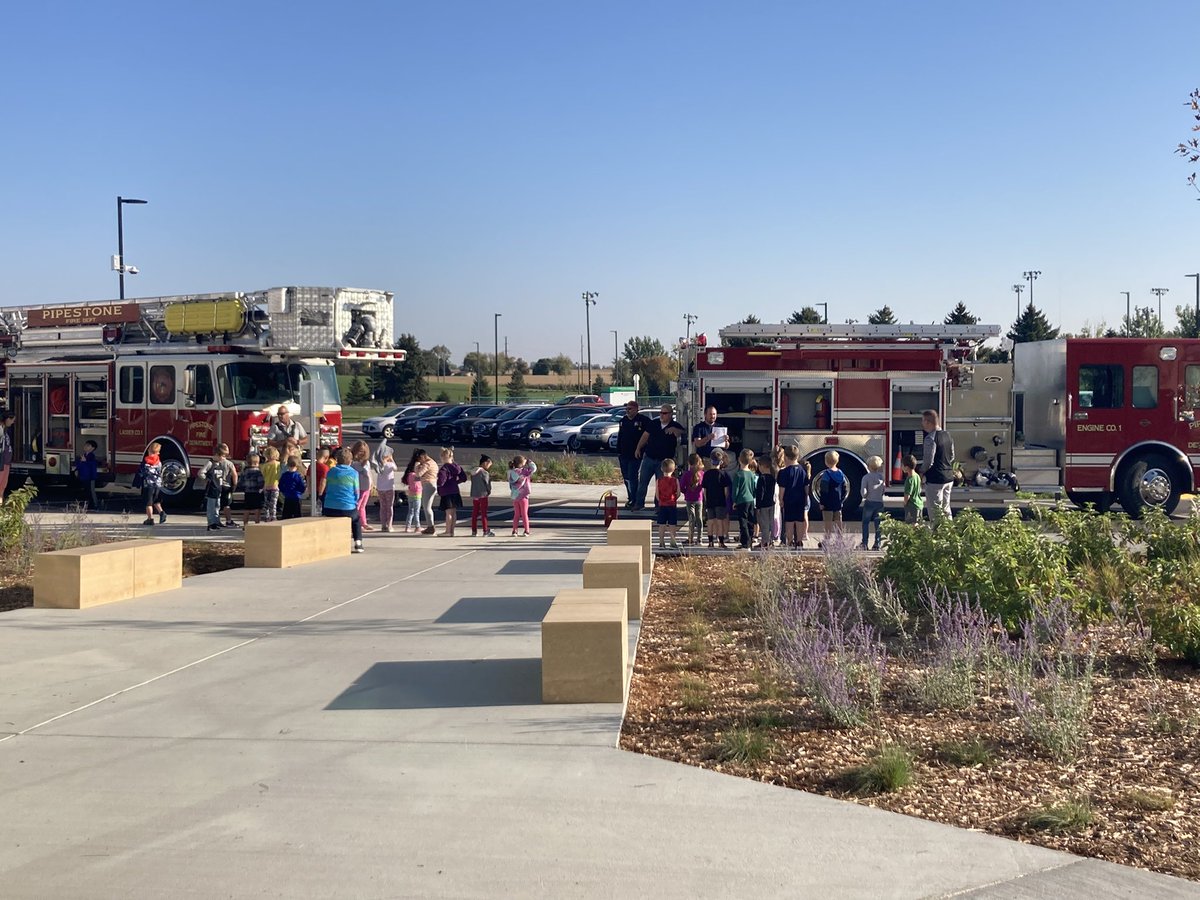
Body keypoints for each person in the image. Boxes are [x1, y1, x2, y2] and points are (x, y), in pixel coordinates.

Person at [634, 404, 687, 511]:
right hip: (649, 457)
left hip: (664, 461)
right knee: (643, 482)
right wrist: (638, 448)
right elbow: (645, 436)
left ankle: (658, 506)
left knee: (661, 484)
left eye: (664, 413)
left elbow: (685, 432)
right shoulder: (654, 423)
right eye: (661, 413)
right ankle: (639, 504)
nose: (662, 415)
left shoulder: (675, 425)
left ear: (671, 414)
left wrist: (676, 431)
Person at [323, 447, 364, 553]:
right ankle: (358, 542)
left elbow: (327, 488)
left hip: (329, 507)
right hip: (347, 507)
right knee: (356, 520)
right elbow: (356, 492)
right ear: (350, 461)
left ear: (337, 460)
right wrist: (354, 502)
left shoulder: (331, 472)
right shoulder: (354, 473)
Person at [919, 409, 955, 524]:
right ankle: (949, 533)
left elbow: (929, 461)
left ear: (928, 422)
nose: (922, 424)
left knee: (935, 512)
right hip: (948, 477)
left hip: (935, 479)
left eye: (923, 421)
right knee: (946, 509)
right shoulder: (947, 435)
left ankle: (937, 535)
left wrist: (921, 472)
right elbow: (952, 456)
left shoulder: (930, 438)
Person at [616, 401, 651, 509]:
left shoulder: (643, 421)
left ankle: (636, 500)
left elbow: (649, 434)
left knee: (633, 477)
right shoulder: (623, 421)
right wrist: (618, 451)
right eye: (626, 409)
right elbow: (620, 437)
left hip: (636, 454)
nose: (628, 411)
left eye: (630, 409)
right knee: (626, 477)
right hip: (624, 454)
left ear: (636, 409)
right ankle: (630, 497)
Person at [776, 445, 810, 549]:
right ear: (797, 456)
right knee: (799, 521)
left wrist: (780, 499)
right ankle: (799, 541)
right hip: (800, 499)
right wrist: (806, 497)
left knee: (789, 521)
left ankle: (790, 541)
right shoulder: (802, 471)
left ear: (785, 457)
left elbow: (782, 488)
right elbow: (806, 486)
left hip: (789, 499)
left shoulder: (783, 472)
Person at [814, 450, 848, 543]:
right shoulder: (841, 473)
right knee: (838, 521)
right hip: (837, 501)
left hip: (828, 502)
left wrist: (822, 502)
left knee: (828, 522)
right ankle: (840, 539)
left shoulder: (826, 474)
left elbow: (824, 490)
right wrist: (841, 500)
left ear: (826, 461)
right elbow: (845, 488)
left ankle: (827, 539)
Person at [701, 448, 731, 549]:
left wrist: (706, 499)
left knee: (710, 521)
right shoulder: (724, 474)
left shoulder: (706, 474)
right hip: (720, 501)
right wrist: (725, 498)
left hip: (710, 500)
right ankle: (721, 541)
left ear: (710, 461)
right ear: (721, 461)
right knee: (720, 521)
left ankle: (710, 541)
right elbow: (726, 490)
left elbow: (704, 490)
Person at [731, 449, 759, 550]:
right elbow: (753, 487)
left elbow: (736, 490)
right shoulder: (752, 474)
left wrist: (734, 500)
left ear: (739, 460)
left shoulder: (738, 475)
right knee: (750, 521)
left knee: (743, 522)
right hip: (751, 500)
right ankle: (750, 541)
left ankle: (745, 543)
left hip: (741, 500)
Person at [436, 447, 466, 536]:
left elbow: (441, 481)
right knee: (453, 512)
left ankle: (447, 531)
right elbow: (463, 478)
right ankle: (452, 531)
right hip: (455, 491)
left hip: (446, 492)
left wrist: (437, 484)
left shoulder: (444, 468)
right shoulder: (457, 467)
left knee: (448, 513)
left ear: (443, 457)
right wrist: (456, 482)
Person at [199, 447, 229, 531]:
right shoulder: (210, 463)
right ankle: (211, 523)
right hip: (211, 489)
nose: (223, 458)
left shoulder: (219, 464)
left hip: (218, 489)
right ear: (216, 455)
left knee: (217, 506)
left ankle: (216, 521)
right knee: (211, 507)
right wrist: (206, 479)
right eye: (222, 456)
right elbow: (201, 472)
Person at [860, 455, 886, 551]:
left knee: (865, 523)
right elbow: (883, 490)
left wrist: (865, 495)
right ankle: (877, 544)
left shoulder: (866, 477)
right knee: (878, 525)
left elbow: (864, 492)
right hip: (879, 503)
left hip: (869, 502)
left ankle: (865, 543)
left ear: (868, 466)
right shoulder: (881, 477)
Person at [656, 458, 682, 550]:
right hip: (672, 505)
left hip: (662, 505)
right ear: (674, 469)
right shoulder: (675, 480)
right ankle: (672, 541)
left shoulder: (659, 481)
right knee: (672, 525)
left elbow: (657, 495)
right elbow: (678, 493)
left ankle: (661, 542)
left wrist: (661, 500)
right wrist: (674, 499)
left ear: (661, 469)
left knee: (661, 524)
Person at [508, 455, 537, 536]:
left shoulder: (511, 472)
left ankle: (514, 530)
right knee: (524, 514)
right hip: (524, 495)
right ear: (522, 463)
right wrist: (530, 462)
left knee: (516, 514)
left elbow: (511, 483)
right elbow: (534, 468)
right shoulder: (524, 471)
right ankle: (526, 530)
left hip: (515, 495)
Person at [680, 453, 705, 546]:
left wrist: (686, 491)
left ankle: (690, 538)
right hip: (699, 499)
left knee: (691, 519)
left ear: (688, 463)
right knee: (699, 519)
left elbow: (682, 486)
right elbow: (704, 486)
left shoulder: (686, 474)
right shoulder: (702, 474)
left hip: (689, 498)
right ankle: (700, 539)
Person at [139, 441, 166, 526]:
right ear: (158, 452)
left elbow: (142, 472)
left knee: (149, 503)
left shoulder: (146, 461)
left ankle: (150, 519)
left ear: (149, 450)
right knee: (156, 500)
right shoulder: (159, 461)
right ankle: (161, 512)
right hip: (158, 484)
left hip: (149, 484)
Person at [754, 455, 777, 550]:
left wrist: (758, 506)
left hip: (763, 505)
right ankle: (770, 540)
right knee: (771, 523)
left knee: (764, 524)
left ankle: (765, 542)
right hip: (771, 503)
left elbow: (760, 493)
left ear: (762, 466)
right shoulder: (772, 478)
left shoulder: (761, 478)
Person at [350, 441, 374, 532]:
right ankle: (356, 523)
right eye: (360, 451)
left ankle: (364, 522)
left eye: (363, 452)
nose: (361, 454)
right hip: (358, 487)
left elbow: (369, 474)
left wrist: (372, 484)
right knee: (357, 506)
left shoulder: (366, 462)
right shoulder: (354, 463)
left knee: (363, 506)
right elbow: (362, 472)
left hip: (366, 486)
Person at [415, 448, 439, 535]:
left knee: (426, 507)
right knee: (427, 506)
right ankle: (430, 526)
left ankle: (430, 527)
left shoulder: (427, 464)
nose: (420, 461)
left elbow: (418, 474)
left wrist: (417, 466)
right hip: (433, 484)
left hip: (428, 485)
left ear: (423, 456)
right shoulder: (433, 462)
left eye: (419, 459)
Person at [214, 442, 239, 527]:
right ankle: (228, 521)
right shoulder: (229, 463)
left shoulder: (214, 462)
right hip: (226, 487)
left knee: (216, 503)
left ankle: (215, 520)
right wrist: (235, 485)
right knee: (227, 505)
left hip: (217, 486)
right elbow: (234, 474)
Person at [470, 455, 495, 537]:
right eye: (489, 464)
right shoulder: (484, 473)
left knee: (475, 513)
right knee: (484, 513)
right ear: (485, 463)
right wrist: (489, 491)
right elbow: (487, 484)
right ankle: (485, 530)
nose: (489, 466)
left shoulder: (473, 472)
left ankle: (474, 531)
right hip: (483, 494)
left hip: (475, 494)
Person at [402, 450, 425, 534]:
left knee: (410, 511)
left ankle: (407, 526)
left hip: (410, 495)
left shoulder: (409, 475)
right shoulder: (416, 476)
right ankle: (417, 526)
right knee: (416, 511)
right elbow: (421, 480)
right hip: (417, 495)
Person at [240, 453, 265, 526]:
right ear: (257, 463)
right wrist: (261, 488)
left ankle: (245, 525)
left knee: (247, 509)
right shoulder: (258, 472)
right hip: (256, 492)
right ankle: (257, 524)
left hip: (247, 492)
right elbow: (261, 482)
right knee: (257, 509)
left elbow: (241, 482)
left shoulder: (244, 472)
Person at [76, 439, 100, 510]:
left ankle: (94, 505)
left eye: (88, 446)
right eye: (85, 445)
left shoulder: (92, 456)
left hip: (90, 477)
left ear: (93, 448)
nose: (86, 446)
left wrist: (85, 461)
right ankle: (86, 505)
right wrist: (77, 470)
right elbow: (80, 464)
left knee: (91, 492)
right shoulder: (84, 455)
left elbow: (92, 466)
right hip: (83, 476)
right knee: (85, 491)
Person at [377, 449, 397, 532]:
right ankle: (389, 525)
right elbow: (396, 468)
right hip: (389, 487)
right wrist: (392, 459)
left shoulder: (378, 465)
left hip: (380, 488)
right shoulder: (390, 464)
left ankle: (383, 525)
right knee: (389, 507)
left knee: (383, 507)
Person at [261, 446, 281, 522]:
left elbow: (263, 475)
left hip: (266, 486)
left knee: (266, 503)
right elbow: (279, 474)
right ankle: (273, 516)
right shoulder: (278, 464)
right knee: (273, 503)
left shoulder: (265, 465)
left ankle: (266, 516)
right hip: (275, 486)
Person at [903, 454, 925, 524]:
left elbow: (907, 495)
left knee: (911, 526)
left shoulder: (909, 480)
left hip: (911, 505)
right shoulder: (917, 476)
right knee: (918, 524)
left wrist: (905, 503)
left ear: (906, 467)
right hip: (919, 504)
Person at [0, 409, 14, 505]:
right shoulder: (0, 430)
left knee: (3, 485)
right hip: (2, 461)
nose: (13, 422)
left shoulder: (5, 430)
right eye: (12, 420)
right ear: (7, 419)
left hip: (6, 462)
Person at [313, 447, 331, 513]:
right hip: (322, 491)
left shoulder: (312, 466)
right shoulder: (325, 468)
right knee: (322, 508)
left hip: (313, 490)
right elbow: (323, 481)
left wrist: (309, 491)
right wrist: (320, 493)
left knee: (314, 508)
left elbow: (308, 478)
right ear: (326, 458)